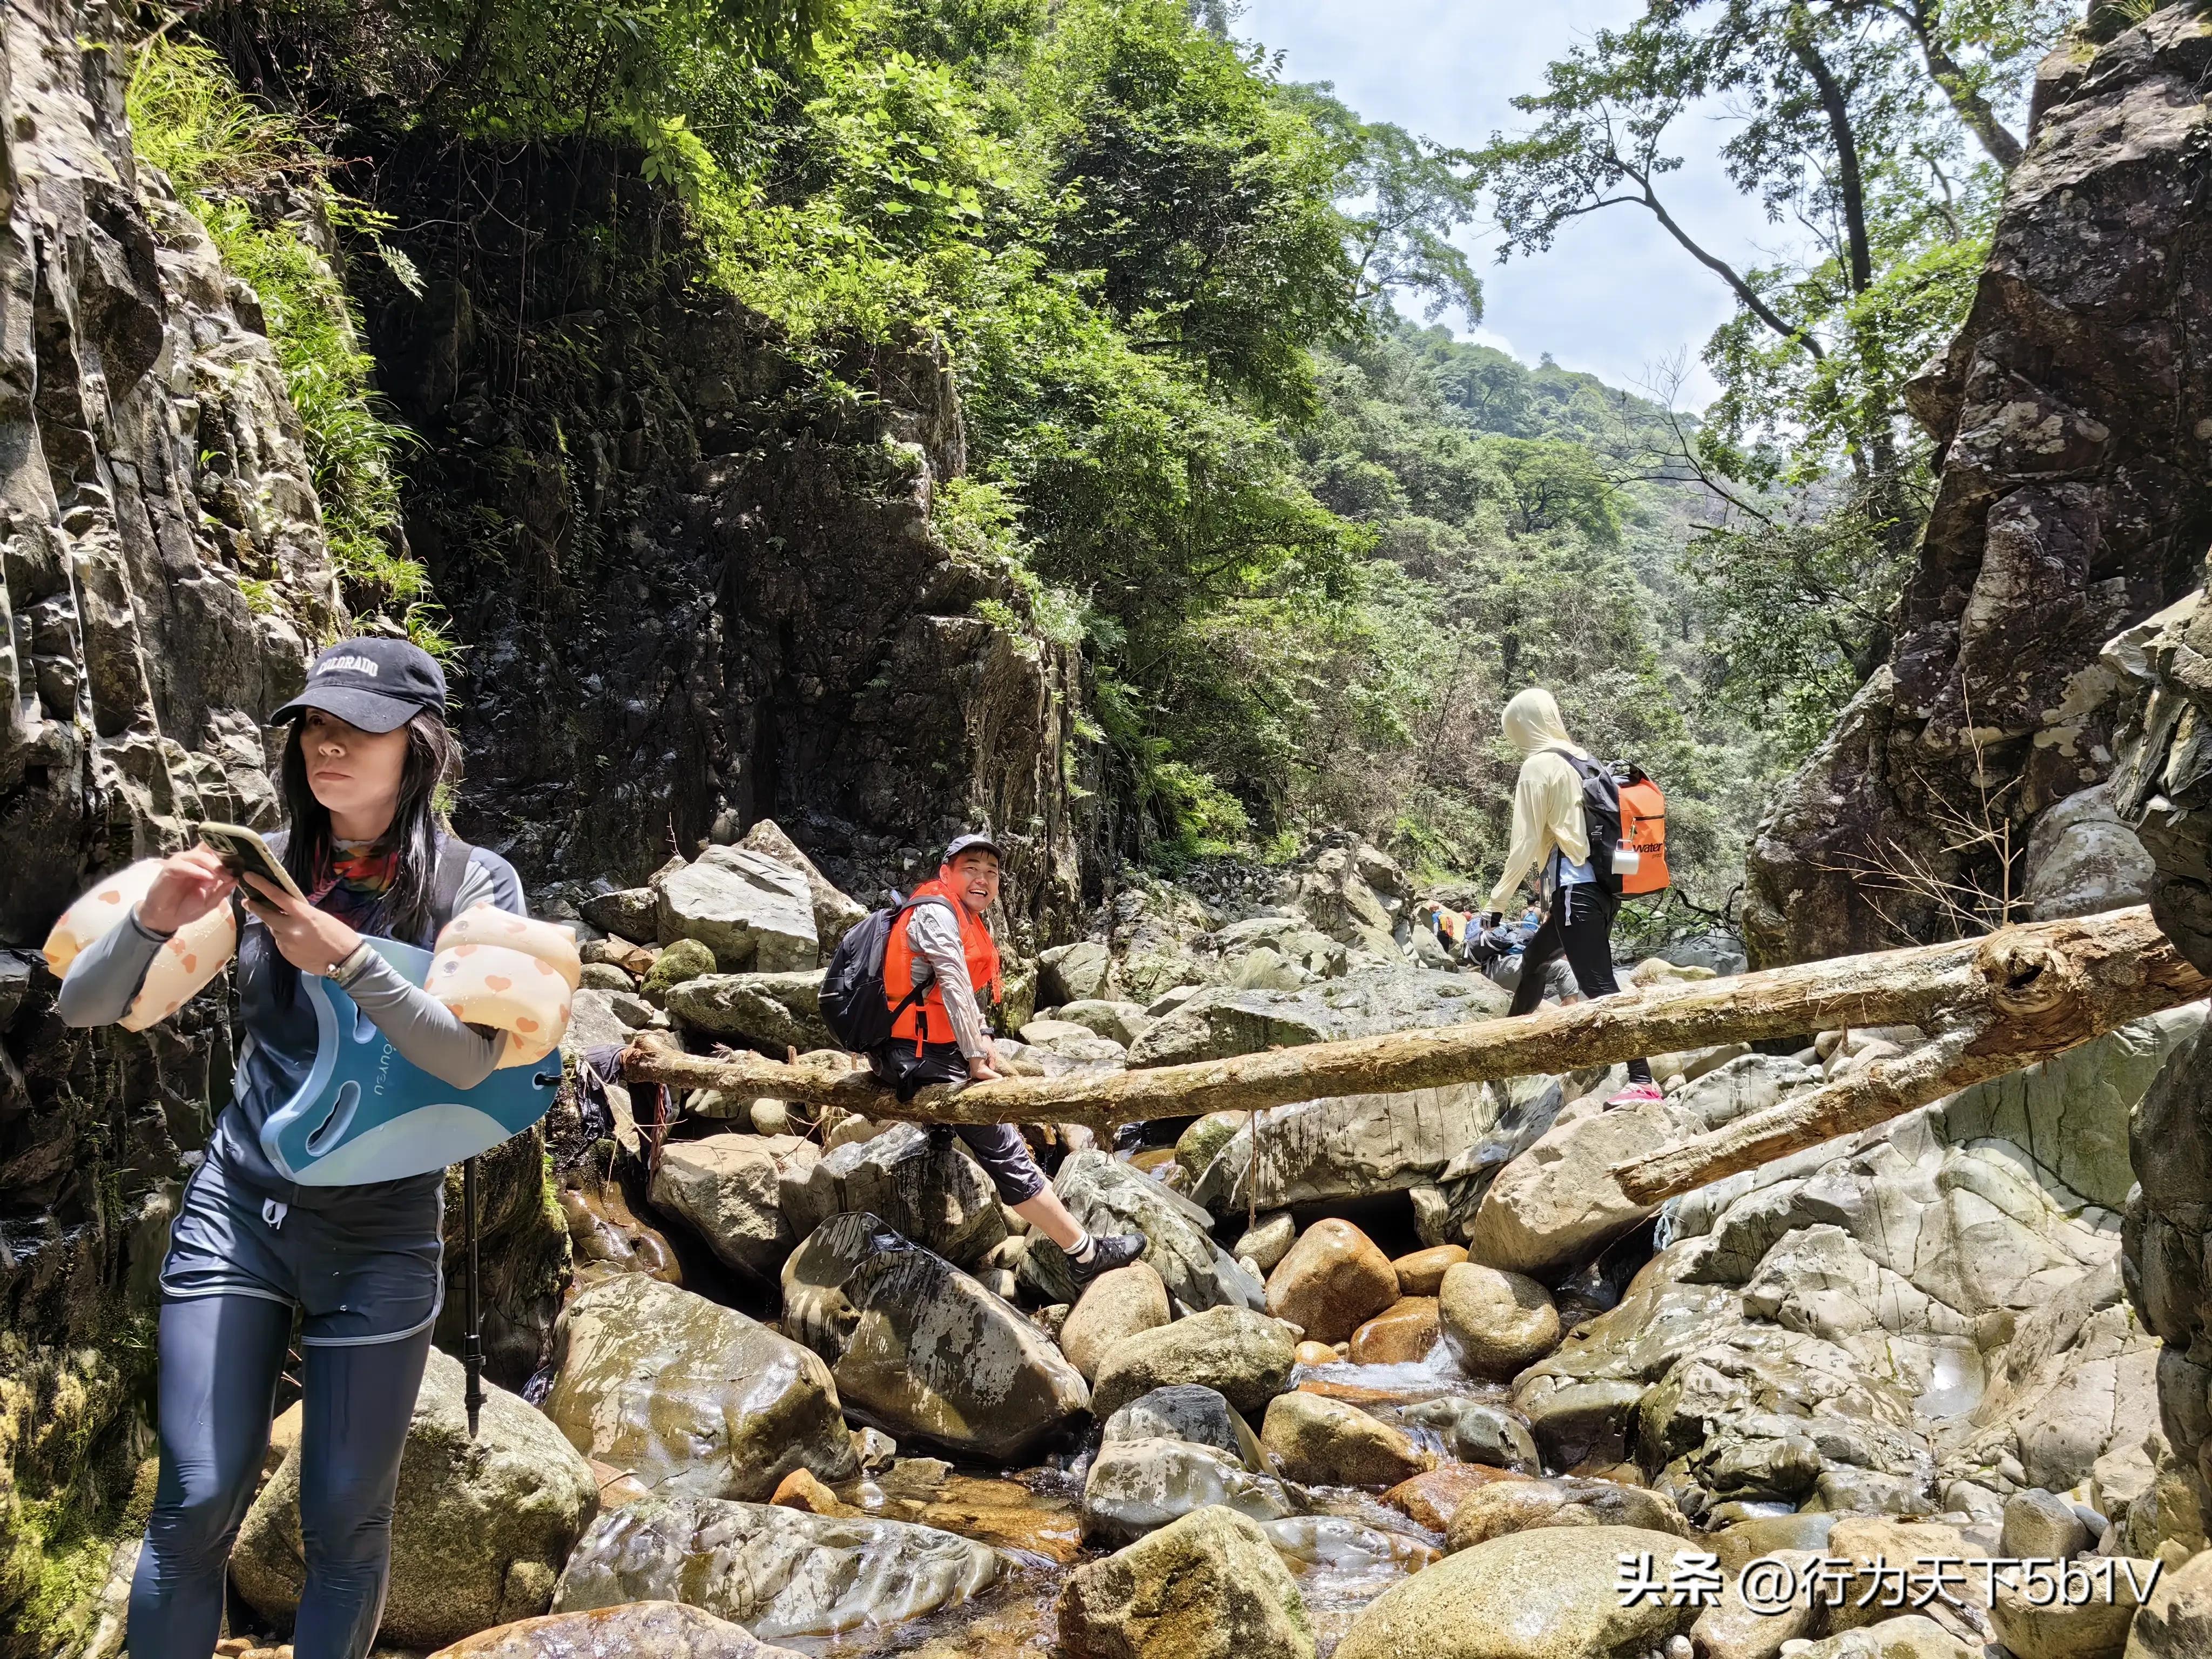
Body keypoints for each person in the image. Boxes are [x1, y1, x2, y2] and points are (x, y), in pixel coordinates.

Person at [56, 638, 532, 1659]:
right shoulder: (257, 869)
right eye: (316, 725)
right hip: (240, 1208)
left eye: (357, 729)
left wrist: (352, 960)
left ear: (420, 747)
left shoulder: (472, 881)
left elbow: (469, 1064)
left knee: (346, 1525)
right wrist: (149, 919)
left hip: (383, 1232)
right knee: (193, 1496)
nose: (329, 746)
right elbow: (85, 1004)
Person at [871, 832, 1145, 1286]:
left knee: (990, 1084)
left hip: (909, 1051)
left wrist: (981, 1037)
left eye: (991, 872)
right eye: (970, 869)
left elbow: (956, 994)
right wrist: (976, 1062)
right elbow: (954, 986)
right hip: (915, 1060)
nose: (982, 878)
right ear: (947, 873)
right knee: (1006, 1146)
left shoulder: (952, 912)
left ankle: (940, 1131)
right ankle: (1084, 1253)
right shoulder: (937, 915)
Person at [1482, 687, 1660, 1107]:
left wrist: (1496, 904)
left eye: (1515, 731)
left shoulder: (1539, 765)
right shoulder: (1583, 759)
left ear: (1525, 726)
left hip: (1574, 891)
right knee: (1534, 960)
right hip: (1602, 887)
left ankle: (1644, 1081)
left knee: (1600, 987)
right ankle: (1505, 1054)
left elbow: (1523, 844)